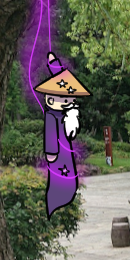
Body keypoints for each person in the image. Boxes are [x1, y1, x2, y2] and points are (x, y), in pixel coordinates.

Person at [34, 52, 92, 217]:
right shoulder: (52, 116)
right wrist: (51, 152)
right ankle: (56, 203)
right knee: (59, 178)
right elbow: (50, 134)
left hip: (65, 150)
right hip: (58, 153)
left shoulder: (65, 115)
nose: (69, 103)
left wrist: (54, 64)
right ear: (51, 100)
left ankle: (62, 199)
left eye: (70, 100)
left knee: (66, 176)